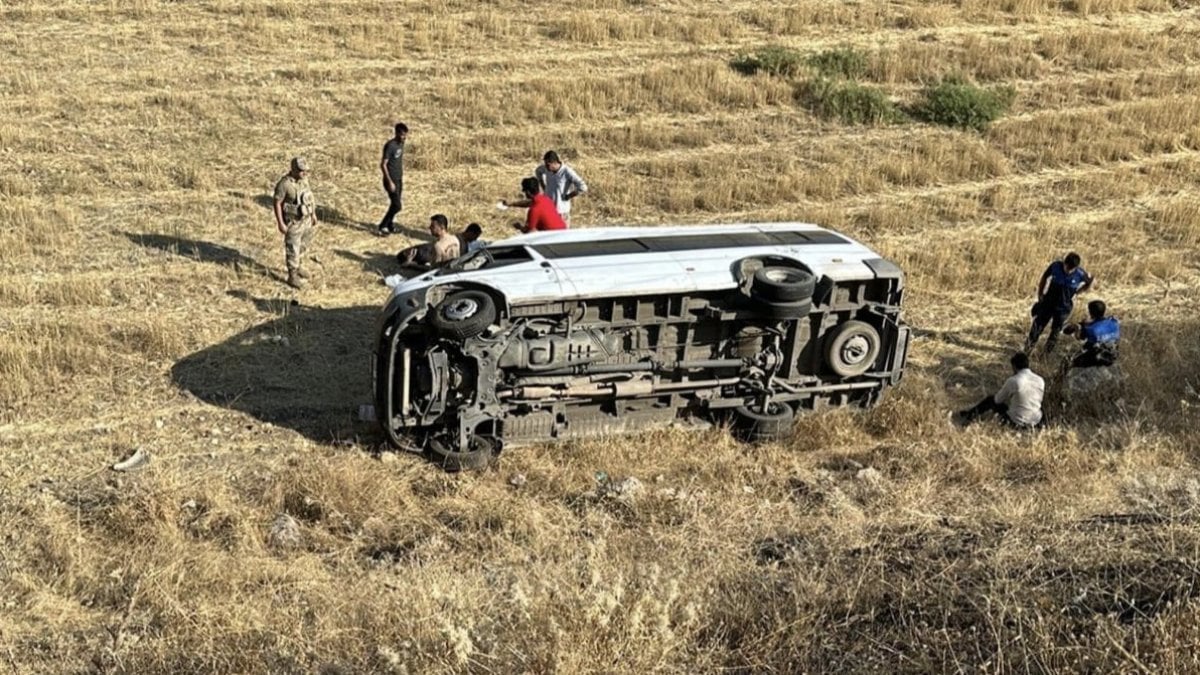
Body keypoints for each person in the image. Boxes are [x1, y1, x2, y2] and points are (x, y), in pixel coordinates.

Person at [1025, 252, 1094, 354]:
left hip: (1063, 308)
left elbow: (1089, 282)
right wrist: (1040, 293)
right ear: (1064, 263)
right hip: (1048, 303)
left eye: (1072, 269)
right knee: (1037, 327)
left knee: (1055, 332)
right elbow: (1045, 276)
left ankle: (1046, 354)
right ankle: (1027, 350)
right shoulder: (1055, 266)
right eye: (1067, 268)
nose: (1069, 271)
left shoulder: (1080, 274)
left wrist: (1077, 292)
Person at [956, 352, 1045, 429]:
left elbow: (997, 400)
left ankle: (969, 416)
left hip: (1016, 422)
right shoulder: (1040, 380)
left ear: (1014, 366)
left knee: (990, 400)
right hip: (1035, 422)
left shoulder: (1014, 380)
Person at [273, 156, 318, 289]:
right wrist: (280, 223)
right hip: (293, 222)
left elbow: (309, 197)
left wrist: (313, 214)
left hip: (306, 219)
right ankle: (292, 275)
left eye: (306, 170)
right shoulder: (284, 185)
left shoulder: (304, 181)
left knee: (303, 245)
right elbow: (277, 202)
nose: (304, 173)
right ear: (293, 169)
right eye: (301, 170)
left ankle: (299, 266)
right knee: (293, 247)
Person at [534, 150, 588, 225]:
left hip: (562, 212)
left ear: (554, 162)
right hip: (549, 211)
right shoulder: (547, 169)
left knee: (563, 235)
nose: (546, 167)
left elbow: (583, 187)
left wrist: (569, 196)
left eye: (548, 164)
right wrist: (543, 186)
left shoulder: (566, 172)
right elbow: (538, 171)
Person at [1064, 299, 1120, 369]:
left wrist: (1077, 327)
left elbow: (1078, 337)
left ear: (1090, 312)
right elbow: (1102, 325)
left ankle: (1058, 378)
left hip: (1096, 358)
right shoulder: (1114, 321)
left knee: (1068, 359)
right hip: (1113, 355)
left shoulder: (1089, 329)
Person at [502, 177, 567, 233]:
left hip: (552, 238)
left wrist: (519, 227)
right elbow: (528, 203)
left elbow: (529, 231)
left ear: (528, 192)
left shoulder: (534, 210)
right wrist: (511, 204)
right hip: (563, 231)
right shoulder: (546, 199)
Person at [377, 122, 408, 236]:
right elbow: (383, 164)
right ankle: (382, 226)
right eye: (402, 135)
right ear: (396, 133)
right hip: (391, 180)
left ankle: (390, 225)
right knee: (397, 206)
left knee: (395, 204)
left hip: (399, 178)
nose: (404, 137)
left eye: (405, 135)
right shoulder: (390, 146)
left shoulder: (401, 144)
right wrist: (389, 181)